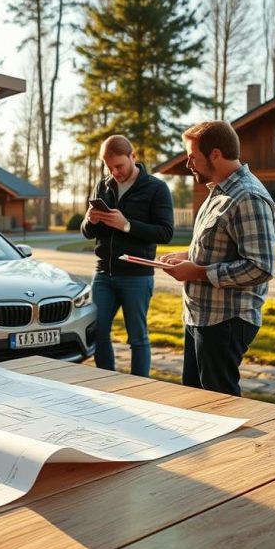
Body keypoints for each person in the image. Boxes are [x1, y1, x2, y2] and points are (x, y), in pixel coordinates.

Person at [161, 120, 275, 397]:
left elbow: (260, 267)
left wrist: (197, 272)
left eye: (192, 157)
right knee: (195, 400)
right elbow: (217, 248)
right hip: (200, 316)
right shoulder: (218, 192)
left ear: (215, 154)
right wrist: (186, 258)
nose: (188, 165)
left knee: (218, 405)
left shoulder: (247, 196)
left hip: (226, 321)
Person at [81, 135, 174, 376]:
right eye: (108, 166)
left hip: (137, 276)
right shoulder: (103, 185)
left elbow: (165, 232)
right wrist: (89, 221)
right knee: (98, 331)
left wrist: (127, 225)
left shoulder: (156, 188)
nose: (114, 172)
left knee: (137, 337)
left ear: (133, 156)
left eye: (119, 166)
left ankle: (139, 390)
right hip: (103, 273)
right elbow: (87, 232)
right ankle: (106, 385)